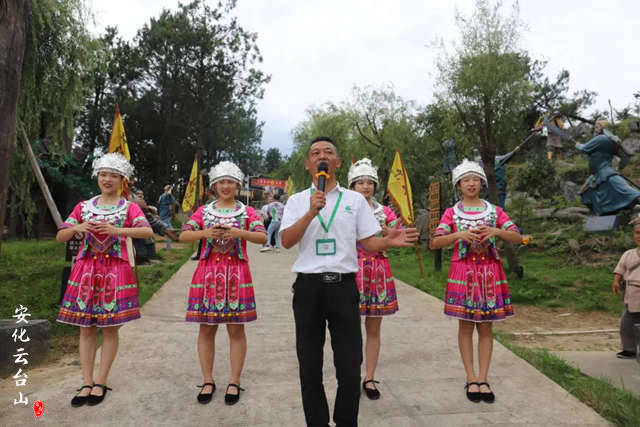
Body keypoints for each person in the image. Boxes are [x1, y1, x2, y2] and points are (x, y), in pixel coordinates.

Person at [280, 137, 418, 426]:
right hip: (308, 288)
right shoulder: (296, 201)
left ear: (338, 163)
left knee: (348, 366)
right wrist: (310, 211)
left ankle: (346, 422)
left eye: (328, 152)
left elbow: (368, 242)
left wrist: (387, 241)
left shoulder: (354, 200)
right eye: (316, 153)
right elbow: (287, 241)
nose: (322, 156)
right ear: (309, 164)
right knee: (309, 366)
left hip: (344, 288)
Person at [56, 153, 153, 407]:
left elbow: (146, 230)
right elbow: (61, 236)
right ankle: (86, 382)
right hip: (86, 272)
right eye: (103, 175)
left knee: (109, 328)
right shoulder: (83, 206)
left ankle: (101, 381)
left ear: (122, 180)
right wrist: (77, 228)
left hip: (115, 272)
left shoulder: (129, 207)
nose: (107, 179)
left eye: (112, 175)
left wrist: (116, 230)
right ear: (97, 177)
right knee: (86, 328)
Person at [430, 159, 521, 404]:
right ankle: (470, 378)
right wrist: (458, 234)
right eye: (466, 180)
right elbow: (435, 242)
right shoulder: (452, 212)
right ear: (458, 184)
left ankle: (484, 378)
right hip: (463, 272)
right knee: (466, 326)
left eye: (475, 179)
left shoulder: (494, 211)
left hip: (489, 274)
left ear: (481, 183)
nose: (471, 184)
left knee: (487, 326)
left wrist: (497, 232)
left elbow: (517, 236)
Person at [179, 161, 266, 405]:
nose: (225, 186)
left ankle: (234, 381)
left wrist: (239, 233)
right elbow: (184, 235)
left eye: (230, 182)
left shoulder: (248, 212)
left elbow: (262, 237)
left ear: (237, 185)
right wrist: (205, 234)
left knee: (236, 329)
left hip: (237, 274)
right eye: (221, 182)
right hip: (207, 273)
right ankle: (207, 380)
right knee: (206, 328)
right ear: (214, 185)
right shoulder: (203, 212)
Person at [347, 158, 401, 401]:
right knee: (349, 330)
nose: (365, 187)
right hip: (351, 270)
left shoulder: (385, 211)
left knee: (374, 328)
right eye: (360, 182)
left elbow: (395, 233)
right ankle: (349, 376)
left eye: (370, 182)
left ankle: (369, 377)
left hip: (379, 270)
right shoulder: (345, 209)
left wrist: (391, 232)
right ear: (352, 186)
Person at [576, 120, 640, 216]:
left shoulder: (601, 138)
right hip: (597, 173)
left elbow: (584, 148)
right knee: (585, 192)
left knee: (625, 191)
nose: (595, 128)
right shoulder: (609, 140)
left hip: (604, 171)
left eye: (597, 126)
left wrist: (577, 145)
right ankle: (606, 213)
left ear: (603, 128)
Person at [611, 215, 640, 359]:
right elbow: (620, 269)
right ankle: (629, 349)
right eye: (637, 233)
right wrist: (616, 281)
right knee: (627, 324)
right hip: (631, 295)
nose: (639, 236)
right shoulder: (628, 254)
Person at [157, 184, 178, 249]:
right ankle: (170, 246)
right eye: (170, 189)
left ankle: (169, 247)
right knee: (170, 231)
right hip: (164, 217)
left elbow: (173, 201)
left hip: (165, 216)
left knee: (170, 231)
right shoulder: (166, 195)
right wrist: (169, 191)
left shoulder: (162, 196)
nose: (171, 191)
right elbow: (173, 200)